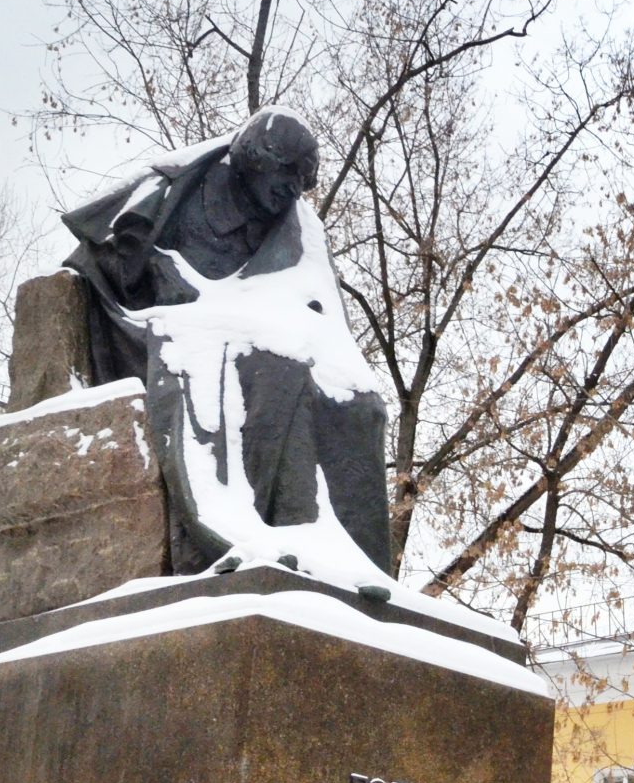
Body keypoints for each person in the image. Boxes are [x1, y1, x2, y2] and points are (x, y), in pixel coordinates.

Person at [58, 108, 393, 578]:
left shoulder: (300, 227)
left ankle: (358, 567)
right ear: (254, 159)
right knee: (273, 366)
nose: (292, 192)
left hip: (261, 334)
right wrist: (157, 272)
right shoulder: (173, 191)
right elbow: (104, 263)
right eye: (285, 175)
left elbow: (319, 309)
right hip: (164, 332)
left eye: (302, 182)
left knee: (362, 407)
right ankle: (256, 530)